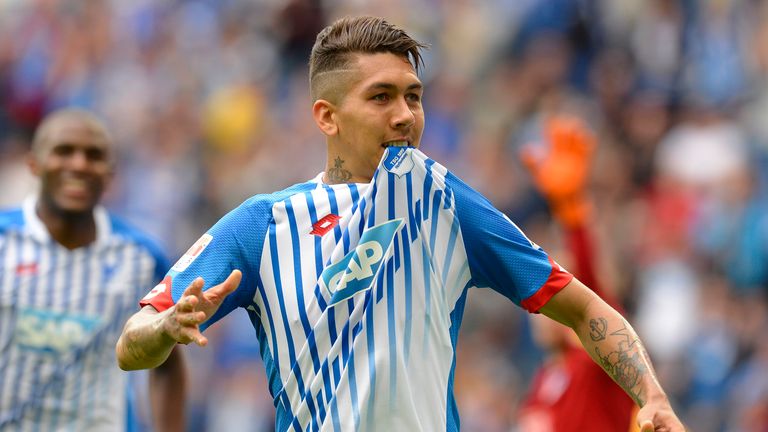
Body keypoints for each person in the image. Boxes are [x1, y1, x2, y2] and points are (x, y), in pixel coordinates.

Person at [116, 16, 685, 432]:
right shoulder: (263, 224)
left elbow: (584, 308)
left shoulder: (444, 202)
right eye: (381, 97)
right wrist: (163, 331)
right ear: (327, 116)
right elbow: (130, 344)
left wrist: (651, 396)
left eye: (414, 97)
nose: (405, 116)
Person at [0, 108, 185, 431]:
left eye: (94, 155)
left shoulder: (141, 257)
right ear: (34, 164)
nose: (79, 164)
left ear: (110, 172)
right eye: (63, 151)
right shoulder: (4, 241)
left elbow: (168, 361)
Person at [517, 115, 637, 431]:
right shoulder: (547, 376)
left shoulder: (598, 359)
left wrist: (573, 213)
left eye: (549, 294)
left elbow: (594, 297)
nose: (536, 309)